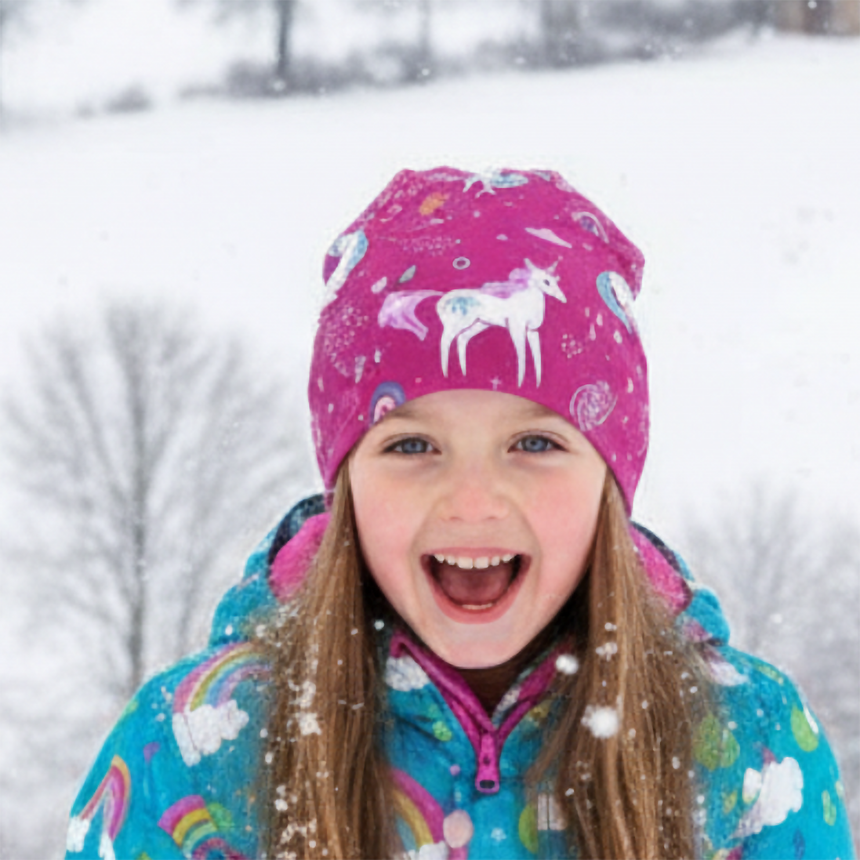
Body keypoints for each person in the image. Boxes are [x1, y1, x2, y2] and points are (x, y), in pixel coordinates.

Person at [64, 167, 855, 860]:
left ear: (609, 480)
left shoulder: (750, 748)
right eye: (412, 448)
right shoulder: (194, 753)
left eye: (535, 443)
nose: (473, 502)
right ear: (346, 484)